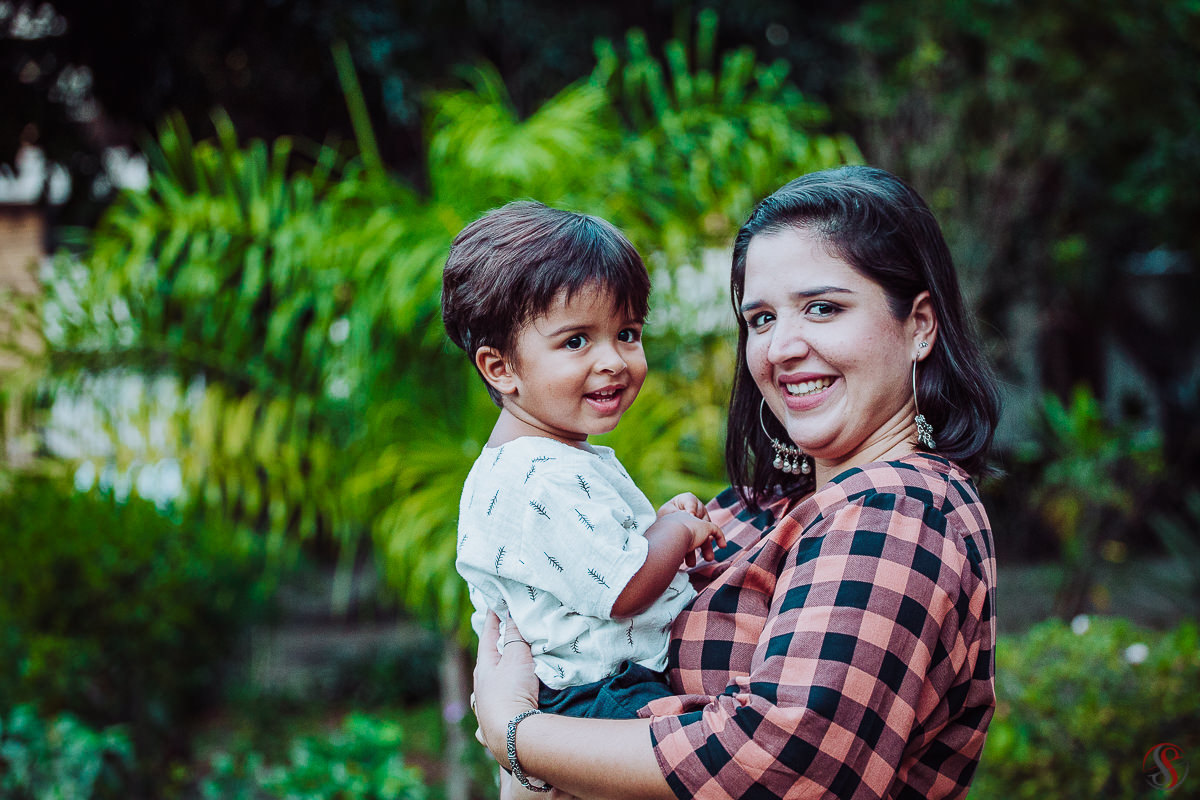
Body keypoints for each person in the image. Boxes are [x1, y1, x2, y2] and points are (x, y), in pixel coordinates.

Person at [470, 165, 1001, 800]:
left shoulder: (897, 513)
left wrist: (516, 733)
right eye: (761, 320)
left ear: (919, 325)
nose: (781, 348)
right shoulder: (765, 510)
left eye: (823, 308)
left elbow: (785, 763)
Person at [442, 201, 726, 729]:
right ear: (500, 368)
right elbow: (622, 591)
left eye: (628, 334)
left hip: (596, 689)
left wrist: (660, 524)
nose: (614, 360)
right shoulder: (542, 478)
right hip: (599, 698)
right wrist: (677, 531)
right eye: (576, 341)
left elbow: (597, 561)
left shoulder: (542, 460)